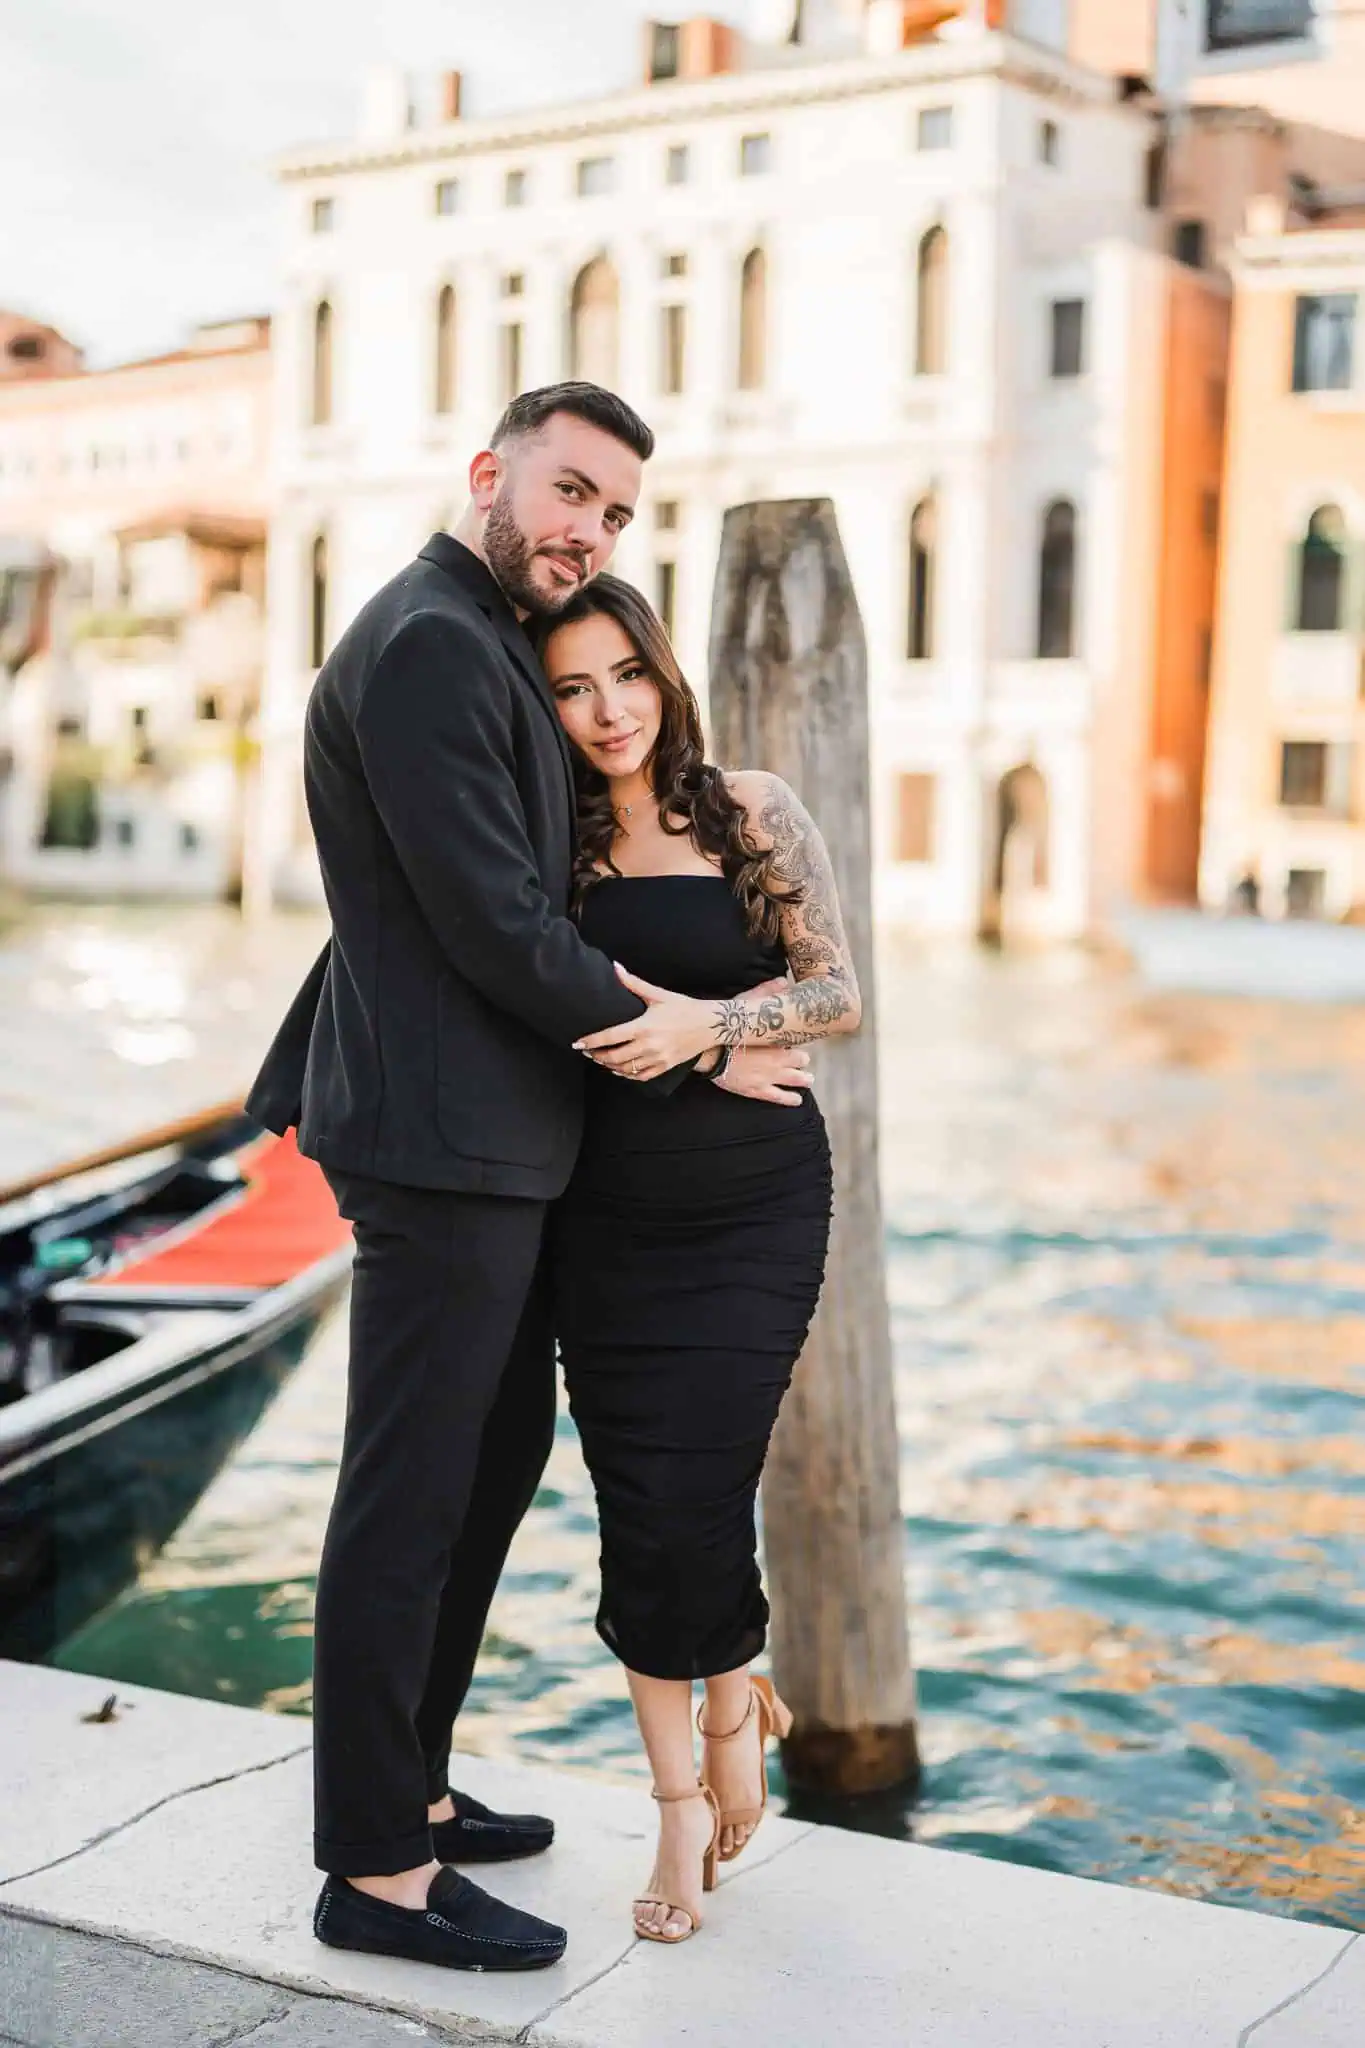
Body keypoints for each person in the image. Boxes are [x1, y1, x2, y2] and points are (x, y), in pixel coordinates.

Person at [245, 383, 811, 1974]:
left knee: (481, 1487)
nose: (590, 531)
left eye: (619, 515)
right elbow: (495, 921)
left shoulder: (477, 629)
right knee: (408, 1501)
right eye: (571, 492)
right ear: (490, 473)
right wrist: (700, 1046)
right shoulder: (431, 639)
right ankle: (373, 1872)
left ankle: (412, 1792)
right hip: (446, 1148)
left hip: (494, 1140)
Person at [537, 574, 861, 1945]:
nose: (608, 709)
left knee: (702, 1474)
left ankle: (735, 1706)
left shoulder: (751, 808)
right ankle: (690, 1776)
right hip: (606, 1217)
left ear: (664, 673)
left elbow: (835, 991)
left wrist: (710, 1028)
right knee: (642, 1498)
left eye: (626, 674)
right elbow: (536, 1021)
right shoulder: (545, 847)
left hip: (756, 1211)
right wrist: (681, 1042)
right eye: (570, 686)